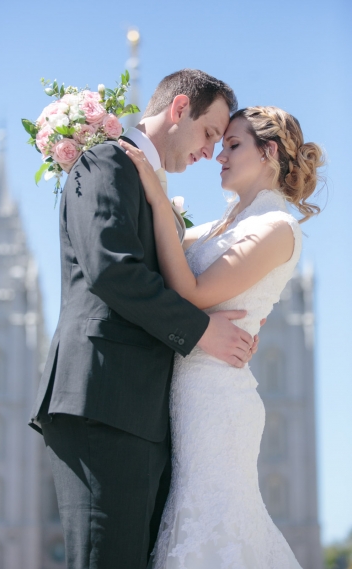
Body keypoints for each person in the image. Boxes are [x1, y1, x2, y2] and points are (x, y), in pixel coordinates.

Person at [30, 69, 260, 569]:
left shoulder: (149, 187)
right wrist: (203, 332)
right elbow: (113, 271)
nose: (209, 153)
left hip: (142, 416)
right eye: (208, 134)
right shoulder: (105, 160)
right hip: (103, 402)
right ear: (179, 110)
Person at [120, 105, 323, 568]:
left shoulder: (277, 227)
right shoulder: (217, 228)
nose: (219, 155)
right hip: (182, 396)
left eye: (233, 145)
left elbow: (191, 292)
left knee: (212, 527)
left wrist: (156, 196)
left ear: (268, 152)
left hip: (218, 403)